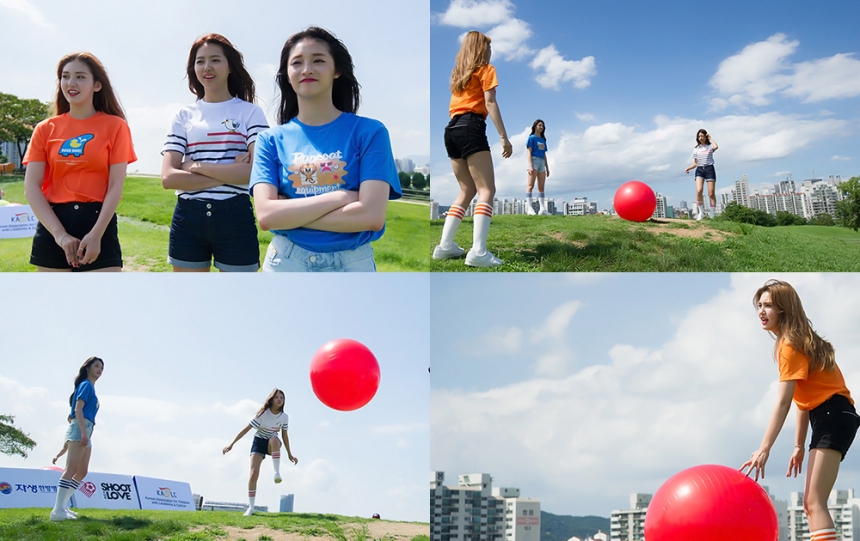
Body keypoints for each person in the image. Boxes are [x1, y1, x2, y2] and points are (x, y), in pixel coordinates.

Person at [249, 27, 401, 272]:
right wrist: (341, 198)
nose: (307, 69)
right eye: (297, 63)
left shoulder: (370, 133)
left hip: (352, 265)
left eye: (318, 60)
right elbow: (266, 217)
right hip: (285, 262)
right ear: (288, 75)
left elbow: (371, 217)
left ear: (337, 70)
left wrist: (289, 216)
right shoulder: (269, 140)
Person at [742, 280, 859, 541]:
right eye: (759, 305)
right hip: (834, 415)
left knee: (814, 503)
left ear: (785, 309)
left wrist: (764, 448)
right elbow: (804, 400)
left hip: (832, 415)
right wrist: (797, 445)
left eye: (769, 305)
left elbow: (784, 401)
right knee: (810, 504)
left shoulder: (789, 346)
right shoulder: (802, 341)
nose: (761, 311)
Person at [161, 34, 268, 272]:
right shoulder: (183, 115)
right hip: (189, 217)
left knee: (239, 302)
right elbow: (169, 178)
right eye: (200, 61)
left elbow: (256, 173)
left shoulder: (251, 114)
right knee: (191, 302)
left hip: (235, 215)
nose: (207, 67)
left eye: (215, 60)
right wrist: (232, 171)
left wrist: (195, 166)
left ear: (230, 66)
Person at [23, 54, 137, 271]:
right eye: (65, 77)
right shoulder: (45, 129)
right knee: (55, 303)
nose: (71, 83)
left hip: (98, 223)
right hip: (53, 225)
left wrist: (96, 234)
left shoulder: (116, 126)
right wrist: (61, 236)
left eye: (80, 76)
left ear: (97, 85)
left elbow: (115, 186)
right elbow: (31, 188)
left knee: (103, 302)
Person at [433, 30, 512, 267]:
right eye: (488, 46)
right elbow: (490, 102)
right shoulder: (486, 70)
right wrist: (504, 137)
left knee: (466, 190)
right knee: (486, 189)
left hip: (451, 129)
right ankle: (478, 252)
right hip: (471, 126)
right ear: (482, 49)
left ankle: (445, 246)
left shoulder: (459, 76)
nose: (490, 50)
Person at [223, 388, 298, 516]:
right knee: (253, 474)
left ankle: (276, 473)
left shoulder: (285, 417)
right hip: (258, 442)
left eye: (282, 397)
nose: (279, 399)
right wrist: (232, 443)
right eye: (277, 397)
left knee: (274, 439)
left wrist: (290, 454)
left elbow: (285, 436)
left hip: (272, 443)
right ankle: (251, 508)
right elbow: (246, 429)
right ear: (271, 399)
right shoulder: (263, 414)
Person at [49, 356, 103, 521]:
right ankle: (57, 511)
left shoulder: (90, 388)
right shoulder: (85, 385)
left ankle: (63, 507)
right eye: (96, 366)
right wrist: (83, 433)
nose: (100, 369)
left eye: (102, 367)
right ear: (87, 368)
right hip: (81, 428)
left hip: (87, 428)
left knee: (82, 471)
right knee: (71, 469)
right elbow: (78, 409)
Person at [684, 129, 718, 220]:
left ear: (705, 137)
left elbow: (716, 146)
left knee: (711, 193)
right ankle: (701, 212)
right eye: (699, 136)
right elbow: (695, 163)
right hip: (699, 169)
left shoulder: (710, 146)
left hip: (709, 168)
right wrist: (689, 168)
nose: (700, 138)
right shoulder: (696, 149)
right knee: (699, 191)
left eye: (702, 136)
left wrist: (710, 138)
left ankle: (712, 214)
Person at [524, 119, 550, 216]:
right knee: (530, 185)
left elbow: (544, 155)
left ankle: (542, 209)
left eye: (542, 126)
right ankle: (529, 208)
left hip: (542, 162)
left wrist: (547, 168)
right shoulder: (532, 138)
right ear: (535, 126)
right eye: (539, 125)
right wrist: (530, 166)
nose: (541, 127)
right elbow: (529, 152)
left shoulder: (543, 140)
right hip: (534, 161)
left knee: (541, 187)